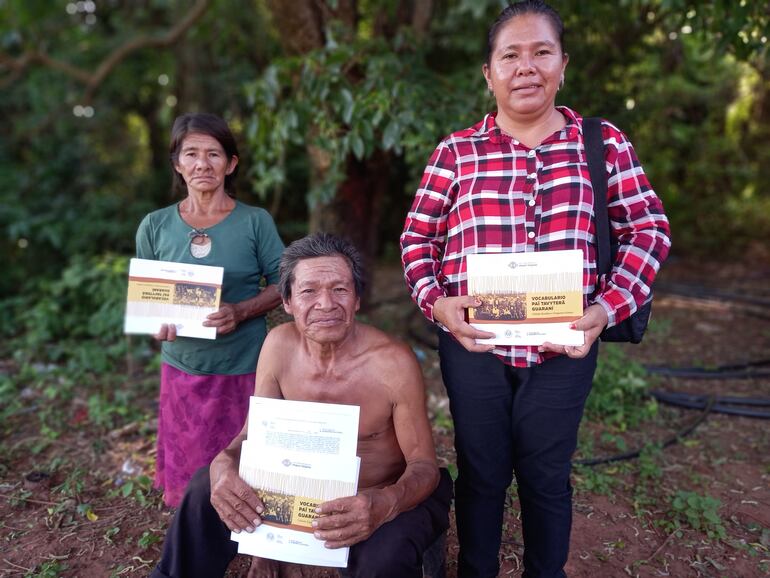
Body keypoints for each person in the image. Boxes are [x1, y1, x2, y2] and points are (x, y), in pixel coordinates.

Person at [400, 1, 671, 576]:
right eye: (511, 55)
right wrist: (437, 304)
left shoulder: (602, 144)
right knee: (482, 473)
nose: (526, 67)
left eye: (541, 52)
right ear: (489, 73)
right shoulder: (456, 153)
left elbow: (648, 229)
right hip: (474, 348)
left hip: (564, 347)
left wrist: (606, 308)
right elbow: (417, 239)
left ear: (563, 65)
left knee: (547, 476)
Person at [150, 233, 453, 578]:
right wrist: (223, 466)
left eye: (340, 289)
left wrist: (383, 505)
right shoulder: (278, 346)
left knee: (385, 557)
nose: (326, 304)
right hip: (291, 496)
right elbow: (252, 438)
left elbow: (423, 466)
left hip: (371, 499)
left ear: (356, 300)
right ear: (288, 302)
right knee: (207, 485)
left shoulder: (392, 363)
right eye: (309, 291)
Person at [135, 112, 285, 507]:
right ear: (177, 163)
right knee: (191, 475)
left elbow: (284, 284)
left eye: (214, 154)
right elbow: (151, 299)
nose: (203, 163)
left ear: (231, 163)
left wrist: (241, 310)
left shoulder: (255, 222)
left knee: (247, 462)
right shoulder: (155, 226)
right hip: (183, 367)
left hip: (245, 364)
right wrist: (156, 322)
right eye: (192, 154)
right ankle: (195, 527)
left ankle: (251, 536)